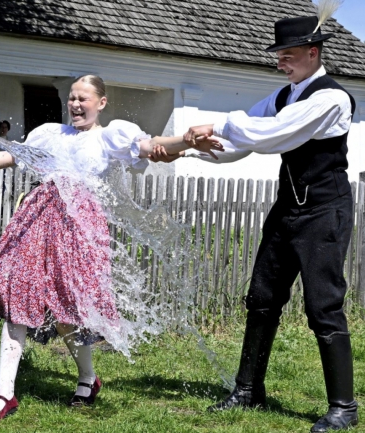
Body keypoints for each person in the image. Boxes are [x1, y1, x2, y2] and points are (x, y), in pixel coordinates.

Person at [0, 75, 222, 423]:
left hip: (79, 228)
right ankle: (4, 395)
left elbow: (152, 147)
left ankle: (88, 378)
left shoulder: (111, 136)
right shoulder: (48, 133)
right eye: (72, 98)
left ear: (101, 103)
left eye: (83, 99)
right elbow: (10, 156)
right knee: (17, 292)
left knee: (66, 311)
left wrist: (187, 139)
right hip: (37, 219)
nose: (75, 104)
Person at [153, 6, 357, 432]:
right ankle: (249, 390)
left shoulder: (331, 98)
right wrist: (193, 147)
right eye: (279, 54)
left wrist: (218, 123)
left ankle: (343, 407)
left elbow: (268, 135)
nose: (280, 61)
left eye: (288, 53)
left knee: (324, 307)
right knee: (261, 298)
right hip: (288, 208)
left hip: (324, 210)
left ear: (314, 52)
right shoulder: (283, 95)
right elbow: (240, 141)